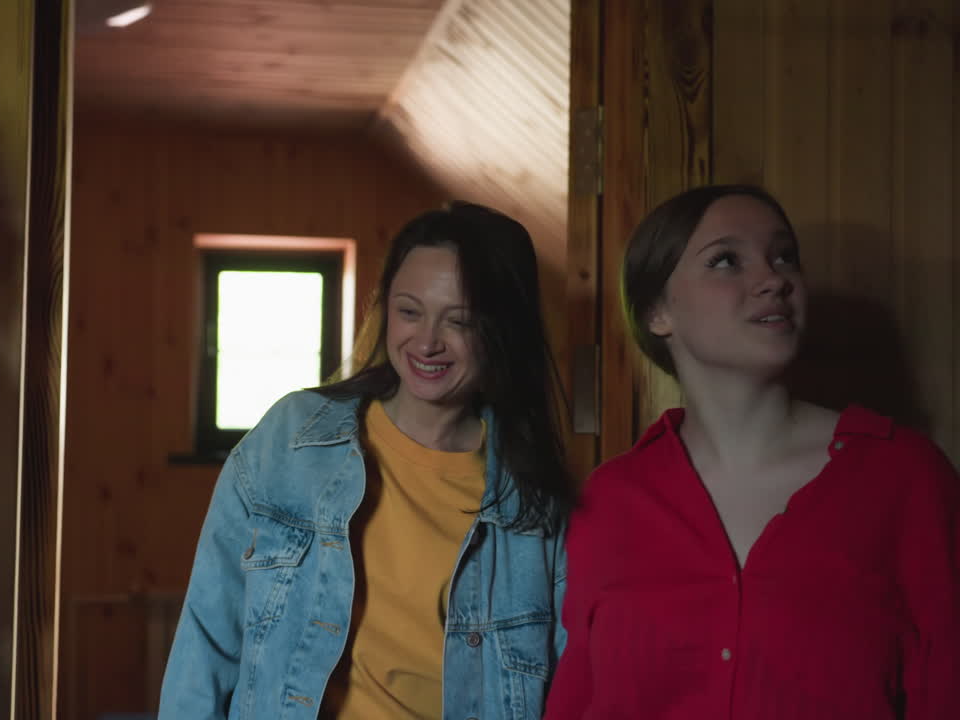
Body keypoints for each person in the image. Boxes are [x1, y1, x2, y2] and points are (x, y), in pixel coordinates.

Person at [545, 185, 959, 719]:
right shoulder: (610, 500)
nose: (773, 279)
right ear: (657, 312)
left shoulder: (906, 478)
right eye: (726, 261)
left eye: (784, 256)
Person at [158, 202, 574, 719]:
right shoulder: (291, 439)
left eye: (458, 321)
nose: (425, 341)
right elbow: (204, 641)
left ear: (501, 332)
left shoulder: (535, 508)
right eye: (409, 311)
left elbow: (567, 688)